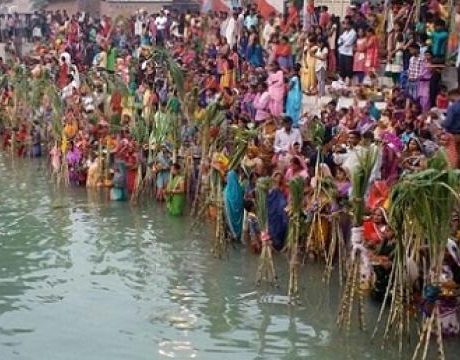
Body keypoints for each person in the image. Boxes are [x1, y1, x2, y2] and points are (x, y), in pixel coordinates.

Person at [442, 89, 460, 168]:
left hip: (454, 136)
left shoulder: (452, 107)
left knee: (453, 157)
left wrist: (442, 124)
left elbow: (448, 123)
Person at [337, 18, 356, 84]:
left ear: (350, 25)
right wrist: (341, 42)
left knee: (348, 68)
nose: (345, 25)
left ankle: (348, 82)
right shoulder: (344, 32)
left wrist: (342, 42)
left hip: (348, 53)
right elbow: (339, 40)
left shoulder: (353, 33)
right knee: (342, 67)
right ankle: (341, 81)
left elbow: (348, 43)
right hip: (342, 52)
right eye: (345, 23)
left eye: (347, 24)